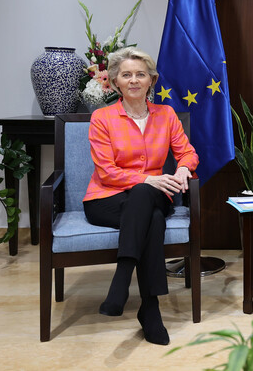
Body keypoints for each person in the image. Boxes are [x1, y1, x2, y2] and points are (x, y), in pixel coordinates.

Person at [83, 47, 198, 346]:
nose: (134, 80)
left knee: (146, 195)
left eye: (140, 74)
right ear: (115, 82)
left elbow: (186, 152)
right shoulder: (102, 118)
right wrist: (148, 179)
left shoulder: (166, 114)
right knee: (153, 217)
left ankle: (121, 281)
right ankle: (150, 309)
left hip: (154, 192)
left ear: (151, 81)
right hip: (106, 200)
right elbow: (106, 172)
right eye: (126, 75)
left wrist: (184, 168)